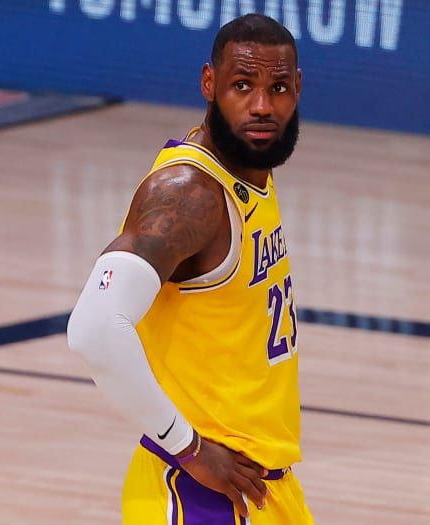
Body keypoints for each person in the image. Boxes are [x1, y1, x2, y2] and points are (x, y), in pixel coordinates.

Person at [67, 13, 315, 525]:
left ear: (299, 89)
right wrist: (188, 448)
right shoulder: (188, 194)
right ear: (209, 83)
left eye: (279, 88)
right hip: (199, 495)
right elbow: (94, 331)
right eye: (242, 86)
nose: (262, 106)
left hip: (259, 489)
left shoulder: (246, 172)